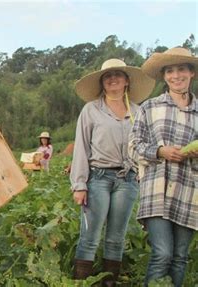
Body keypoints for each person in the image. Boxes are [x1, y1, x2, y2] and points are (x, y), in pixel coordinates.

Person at [70, 59, 155, 285]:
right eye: (107, 76)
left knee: (116, 237)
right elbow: (81, 147)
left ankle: (109, 282)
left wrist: (141, 171)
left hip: (127, 180)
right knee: (90, 236)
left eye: (118, 74)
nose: (113, 79)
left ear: (127, 81)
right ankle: (82, 282)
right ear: (102, 82)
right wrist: (79, 184)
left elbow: (144, 147)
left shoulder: (138, 112)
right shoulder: (91, 110)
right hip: (98, 177)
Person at [129, 47, 197, 287]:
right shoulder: (150, 107)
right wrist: (160, 151)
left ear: (192, 74)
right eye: (170, 71)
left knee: (180, 257)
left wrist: (193, 154)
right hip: (157, 189)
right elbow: (134, 147)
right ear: (164, 76)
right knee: (163, 254)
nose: (176, 75)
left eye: (181, 69)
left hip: (190, 192)